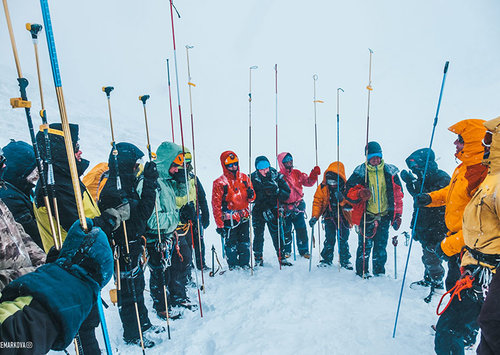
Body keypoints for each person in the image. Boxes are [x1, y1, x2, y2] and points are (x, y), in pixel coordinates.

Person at [33, 123, 127, 354]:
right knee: (85, 328)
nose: (80, 152)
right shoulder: (55, 187)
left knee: (88, 324)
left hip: (81, 267)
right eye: (75, 147)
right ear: (61, 150)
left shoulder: (67, 181)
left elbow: (86, 216)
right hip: (73, 268)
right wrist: (110, 219)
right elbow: (80, 228)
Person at [433, 116, 499, 355]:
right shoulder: (465, 169)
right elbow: (451, 194)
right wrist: (430, 199)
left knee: (452, 327)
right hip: (466, 255)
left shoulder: (483, 175)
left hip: (476, 259)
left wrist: (448, 246)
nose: (455, 145)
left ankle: (464, 333)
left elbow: (479, 228)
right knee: (457, 294)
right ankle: (468, 333)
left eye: (459, 140)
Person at [0, 218, 113, 355]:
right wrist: (67, 279)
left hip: (33, 294)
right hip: (26, 308)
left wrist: (51, 267)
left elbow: (21, 239)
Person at [99, 142, 159, 347]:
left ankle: (143, 323)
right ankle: (133, 334)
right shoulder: (113, 188)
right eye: (136, 164)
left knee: (138, 287)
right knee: (129, 293)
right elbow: (140, 215)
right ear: (126, 164)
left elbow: (142, 213)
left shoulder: (128, 183)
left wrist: (150, 182)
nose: (138, 168)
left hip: (133, 245)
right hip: (122, 248)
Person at [346, 141, 403, 278]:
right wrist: (360, 193)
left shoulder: (390, 171)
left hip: (384, 216)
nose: (376, 160)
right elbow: (348, 192)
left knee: (381, 247)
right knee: (364, 247)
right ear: (367, 157)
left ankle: (379, 272)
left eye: (378, 157)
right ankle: (362, 272)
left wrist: (397, 215)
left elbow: (398, 195)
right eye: (372, 157)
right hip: (367, 216)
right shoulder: (360, 172)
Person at [400, 148, 450, 290]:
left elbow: (434, 198)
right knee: (427, 255)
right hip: (424, 224)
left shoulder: (441, 177)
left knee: (432, 257)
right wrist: (410, 182)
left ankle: (437, 283)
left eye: (416, 165)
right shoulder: (422, 177)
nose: (414, 169)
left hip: (437, 225)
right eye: (412, 167)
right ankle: (428, 278)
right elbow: (418, 196)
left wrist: (421, 192)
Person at [212, 151, 255, 269]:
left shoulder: (244, 178)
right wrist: (219, 225)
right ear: (224, 166)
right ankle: (233, 265)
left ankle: (245, 263)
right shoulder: (219, 183)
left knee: (245, 242)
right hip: (229, 219)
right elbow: (216, 205)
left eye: (235, 164)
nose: (233, 167)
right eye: (230, 165)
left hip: (244, 216)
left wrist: (251, 195)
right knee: (231, 243)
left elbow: (252, 198)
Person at [0, 140, 43, 248]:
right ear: (20, 170)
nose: (37, 174)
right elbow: (33, 235)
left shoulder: (22, 187)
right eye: (34, 170)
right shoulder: (10, 198)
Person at [310, 162, 352, 269]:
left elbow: (351, 205)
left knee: (343, 239)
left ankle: (345, 260)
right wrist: (315, 217)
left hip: (344, 218)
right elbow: (317, 202)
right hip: (329, 217)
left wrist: (342, 199)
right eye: (330, 181)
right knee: (329, 239)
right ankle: (327, 259)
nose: (332, 184)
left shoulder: (347, 188)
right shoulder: (323, 187)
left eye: (334, 181)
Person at [277, 152, 320, 259]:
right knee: (285, 230)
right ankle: (286, 251)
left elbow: (308, 182)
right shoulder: (278, 177)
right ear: (282, 163)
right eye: (286, 161)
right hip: (285, 208)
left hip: (297, 207)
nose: (289, 163)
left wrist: (314, 174)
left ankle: (304, 250)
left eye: (290, 161)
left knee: (301, 229)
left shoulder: (297, 173)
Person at [251, 156, 291, 266]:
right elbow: (250, 198)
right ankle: (258, 257)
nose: (265, 171)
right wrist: (253, 195)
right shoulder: (252, 178)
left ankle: (281, 257)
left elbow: (287, 194)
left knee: (277, 234)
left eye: (266, 167)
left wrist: (277, 190)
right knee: (258, 235)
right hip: (258, 211)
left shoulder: (276, 176)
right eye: (261, 168)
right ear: (257, 169)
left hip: (274, 210)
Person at [0, 198, 45, 291]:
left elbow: (18, 232)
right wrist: (31, 273)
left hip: (29, 285)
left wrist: (43, 263)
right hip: (8, 297)